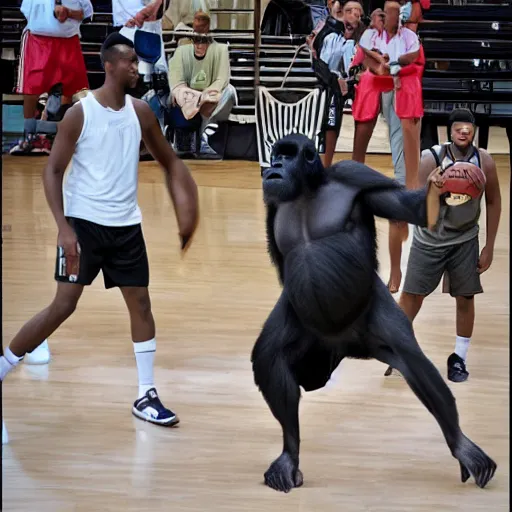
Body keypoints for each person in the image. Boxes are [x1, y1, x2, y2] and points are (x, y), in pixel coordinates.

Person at [1, 32, 199, 443]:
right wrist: (63, 227)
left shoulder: (141, 112)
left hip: (126, 226)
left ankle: (146, 394)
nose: (134, 68)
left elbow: (169, 161)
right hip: (83, 226)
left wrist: (187, 207)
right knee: (62, 306)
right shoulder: (81, 113)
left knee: (141, 302)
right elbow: (51, 171)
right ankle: (2, 367)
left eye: (135, 62)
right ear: (110, 66)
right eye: (128, 62)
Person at [384, 108, 502, 382]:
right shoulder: (431, 158)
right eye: (458, 127)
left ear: (474, 131)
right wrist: (432, 190)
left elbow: (494, 201)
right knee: (412, 296)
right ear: (449, 131)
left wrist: (490, 246)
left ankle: (459, 358)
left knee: (465, 297)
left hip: (465, 240)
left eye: (468, 127)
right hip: (430, 240)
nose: (463, 131)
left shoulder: (484, 161)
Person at [352, 0, 423, 293]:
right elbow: (363, 59)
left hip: (399, 83)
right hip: (376, 81)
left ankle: (405, 185)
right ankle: (353, 179)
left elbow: (416, 60)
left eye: (394, 12)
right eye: (386, 12)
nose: (390, 16)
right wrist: (377, 65)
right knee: (363, 127)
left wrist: (394, 68)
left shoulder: (408, 36)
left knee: (399, 130)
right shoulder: (371, 33)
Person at [10, 0, 93, 155]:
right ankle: (29, 136)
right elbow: (27, 12)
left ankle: (53, 135)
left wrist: (68, 13)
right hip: (38, 39)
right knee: (31, 86)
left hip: (68, 39)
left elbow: (85, 14)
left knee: (70, 87)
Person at [167, 11, 237, 156]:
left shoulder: (220, 50)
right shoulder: (181, 52)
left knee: (229, 91)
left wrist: (204, 96)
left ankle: (207, 131)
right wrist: (194, 97)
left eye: (203, 40)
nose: (199, 45)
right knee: (174, 94)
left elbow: (222, 79)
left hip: (211, 97)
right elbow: (177, 83)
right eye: (196, 40)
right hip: (187, 97)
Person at [309, 0, 363, 167]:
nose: (353, 16)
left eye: (357, 14)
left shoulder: (357, 41)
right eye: (350, 12)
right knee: (330, 113)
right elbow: (318, 60)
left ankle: (355, 163)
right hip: (325, 83)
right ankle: (323, 164)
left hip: (347, 82)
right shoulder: (329, 33)